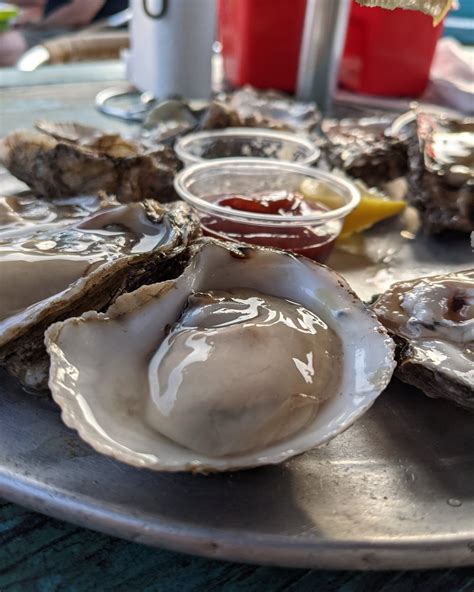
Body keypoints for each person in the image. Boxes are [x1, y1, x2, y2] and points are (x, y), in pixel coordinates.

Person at [0, 0, 128, 67]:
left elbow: (80, 13)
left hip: (88, 33)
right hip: (62, 28)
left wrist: (40, 26)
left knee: (4, 46)